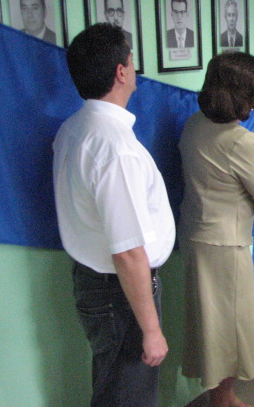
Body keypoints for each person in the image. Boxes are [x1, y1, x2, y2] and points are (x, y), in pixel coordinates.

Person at [52, 23, 175, 406]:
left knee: (113, 388)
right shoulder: (114, 147)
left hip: (100, 285)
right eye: (132, 60)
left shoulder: (74, 128)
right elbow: (127, 251)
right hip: (120, 292)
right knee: (128, 394)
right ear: (121, 72)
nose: (135, 67)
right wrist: (151, 329)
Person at [179, 52, 254, 407]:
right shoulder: (242, 141)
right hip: (226, 246)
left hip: (196, 236)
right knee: (228, 331)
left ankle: (222, 396)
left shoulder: (194, 124)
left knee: (210, 326)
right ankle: (222, 401)